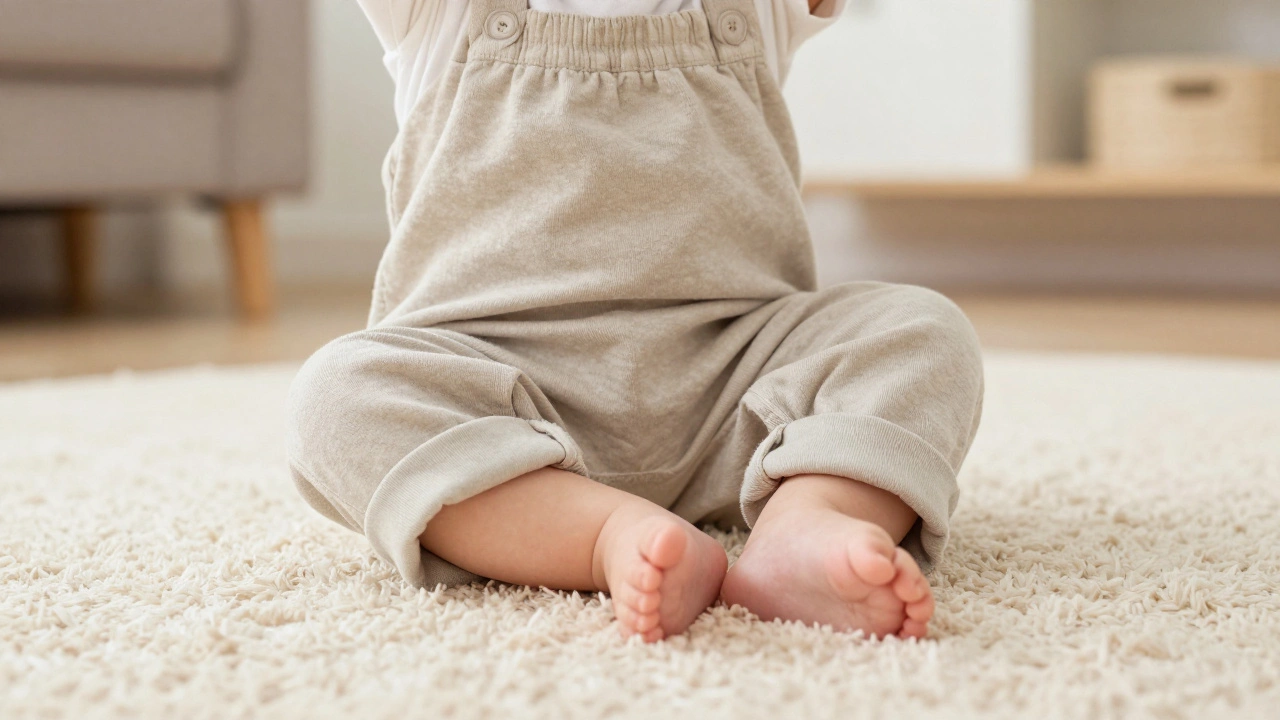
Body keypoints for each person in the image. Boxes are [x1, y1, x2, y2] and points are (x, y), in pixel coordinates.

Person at [287, 0, 984, 643]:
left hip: (739, 390)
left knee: (922, 331)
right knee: (335, 395)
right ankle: (602, 535)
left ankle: (809, 517)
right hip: (501, 394)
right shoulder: (437, 15)